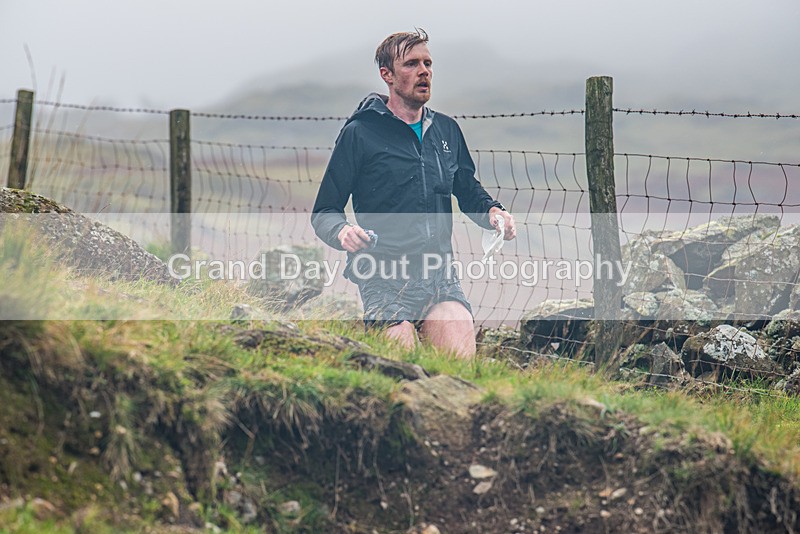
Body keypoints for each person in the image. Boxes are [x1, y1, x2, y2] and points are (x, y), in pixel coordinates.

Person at [311, 29, 515, 358]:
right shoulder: (360, 133)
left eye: (428, 63)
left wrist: (493, 212)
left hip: (438, 272)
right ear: (387, 75)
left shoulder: (447, 130)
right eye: (411, 64)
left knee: (460, 366)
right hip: (382, 273)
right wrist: (342, 231)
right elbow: (324, 211)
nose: (424, 71)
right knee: (401, 366)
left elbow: (468, 190)